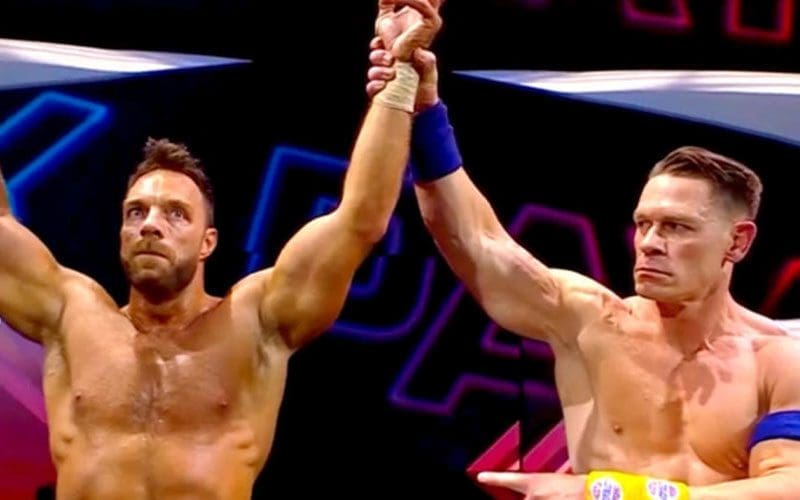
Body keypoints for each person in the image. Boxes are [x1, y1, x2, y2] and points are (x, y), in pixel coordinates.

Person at [0, 1, 442, 498]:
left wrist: (401, 70)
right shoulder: (69, 314)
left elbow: (361, 219)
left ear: (208, 242)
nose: (150, 225)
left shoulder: (256, 322)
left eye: (175, 213)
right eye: (136, 212)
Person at [367, 31, 800, 500]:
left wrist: (604, 492)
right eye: (643, 224)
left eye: (677, 227)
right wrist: (424, 110)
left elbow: (788, 486)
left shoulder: (778, 361)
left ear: (738, 242)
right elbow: (473, 240)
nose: (649, 244)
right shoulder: (590, 320)